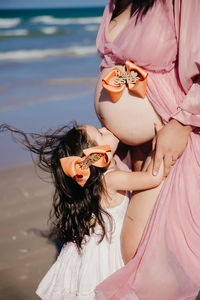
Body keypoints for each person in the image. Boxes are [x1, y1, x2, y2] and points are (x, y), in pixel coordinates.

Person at [94, 0, 200, 299]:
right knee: (126, 254)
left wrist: (181, 124)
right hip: (128, 150)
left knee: (147, 262)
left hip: (170, 140)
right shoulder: (115, 2)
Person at [0, 123, 163, 300]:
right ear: (97, 156)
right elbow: (154, 178)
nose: (106, 129)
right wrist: (161, 143)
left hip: (90, 247)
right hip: (107, 251)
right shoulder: (112, 179)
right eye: (101, 134)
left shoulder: (94, 180)